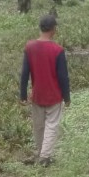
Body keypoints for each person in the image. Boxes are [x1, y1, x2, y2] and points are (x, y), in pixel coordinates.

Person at [19, 14, 70, 166]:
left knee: (38, 126)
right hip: (54, 95)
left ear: (40, 27)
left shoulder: (30, 47)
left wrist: (22, 94)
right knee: (51, 125)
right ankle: (44, 157)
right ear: (54, 29)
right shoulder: (57, 50)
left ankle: (41, 152)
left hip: (37, 95)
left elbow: (24, 73)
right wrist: (67, 97)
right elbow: (63, 77)